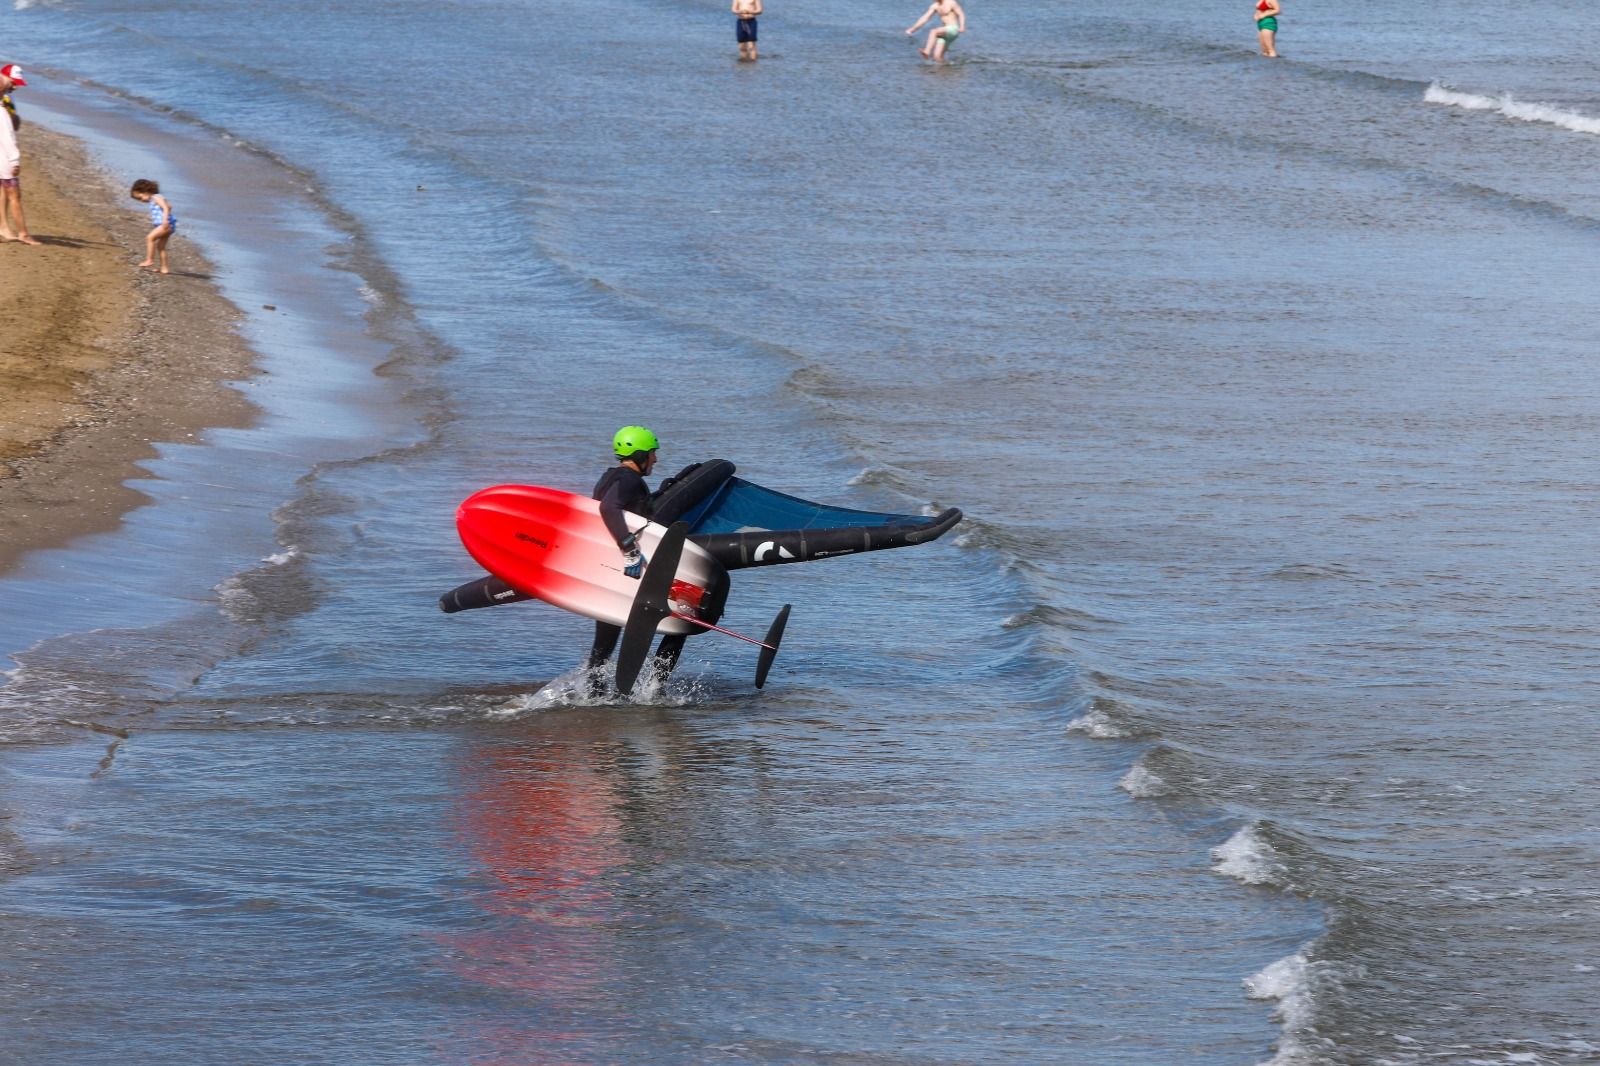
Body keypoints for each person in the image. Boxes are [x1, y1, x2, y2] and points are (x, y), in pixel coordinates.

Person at [583, 425, 689, 693]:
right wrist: (628, 548)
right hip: (630, 571)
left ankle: (594, 696)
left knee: (604, 646)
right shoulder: (629, 480)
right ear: (641, 453)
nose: (655, 458)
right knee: (682, 619)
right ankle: (655, 687)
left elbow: (626, 511)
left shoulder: (610, 478)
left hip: (609, 571)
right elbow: (610, 508)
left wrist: (657, 496)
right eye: (653, 453)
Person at [0, 63, 41, 246]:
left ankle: (4, 228)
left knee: (4, 190)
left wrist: (12, 114)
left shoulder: (5, 102)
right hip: (6, 154)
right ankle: (23, 233)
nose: (15, 87)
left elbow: (14, 126)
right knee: (14, 193)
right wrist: (15, 159)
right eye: (13, 82)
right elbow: (9, 135)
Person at [129, 178, 178, 273]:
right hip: (168, 224)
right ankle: (164, 268)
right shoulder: (156, 198)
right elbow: (169, 206)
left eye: (140, 197)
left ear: (146, 191)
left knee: (149, 238)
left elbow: (165, 207)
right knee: (160, 247)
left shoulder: (156, 197)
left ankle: (149, 259)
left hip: (165, 224)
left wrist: (164, 220)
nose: (141, 201)